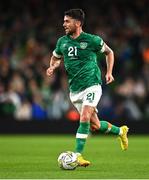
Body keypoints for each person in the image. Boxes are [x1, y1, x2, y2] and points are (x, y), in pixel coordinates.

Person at [46, 9, 129, 167]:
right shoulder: (62, 42)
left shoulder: (92, 40)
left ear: (78, 23)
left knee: (84, 117)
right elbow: (56, 57)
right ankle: (120, 131)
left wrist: (109, 72)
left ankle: (77, 155)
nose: (64, 24)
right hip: (75, 90)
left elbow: (109, 53)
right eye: (64, 21)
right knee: (95, 125)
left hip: (92, 85)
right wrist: (53, 66)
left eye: (67, 21)